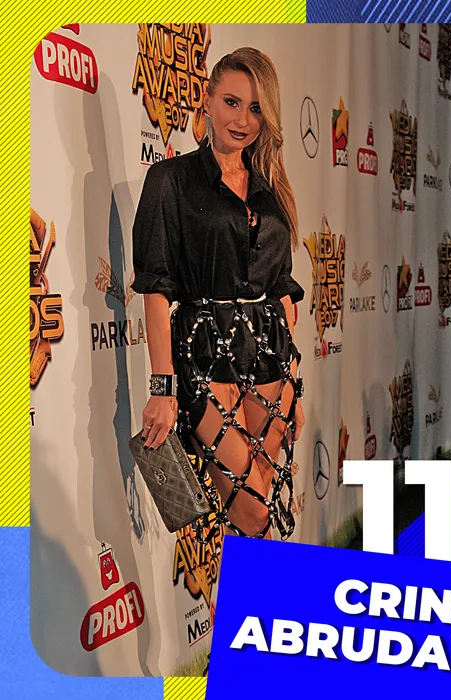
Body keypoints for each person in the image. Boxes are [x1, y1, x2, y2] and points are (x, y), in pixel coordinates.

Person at [131, 47, 305, 540]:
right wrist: (162, 388)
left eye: (256, 109)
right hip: (204, 355)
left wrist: (292, 382)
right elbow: (156, 289)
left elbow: (281, 289)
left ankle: (251, 595)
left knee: (260, 508)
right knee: (251, 512)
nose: (242, 120)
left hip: (271, 358)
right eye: (231, 102)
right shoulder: (171, 181)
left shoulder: (271, 188)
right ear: (206, 101)